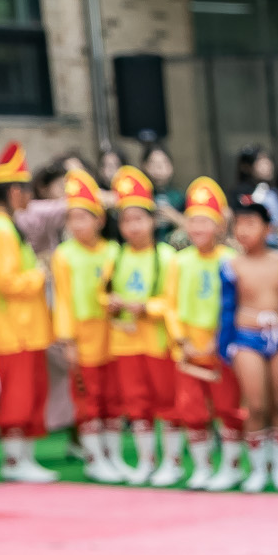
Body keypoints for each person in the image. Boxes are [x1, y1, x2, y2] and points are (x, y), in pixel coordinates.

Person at [0, 145, 57, 483]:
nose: (28, 198)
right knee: (18, 395)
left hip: (25, 327)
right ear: (14, 191)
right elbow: (7, 282)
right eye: (25, 191)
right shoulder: (2, 230)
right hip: (15, 329)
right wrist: (41, 272)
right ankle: (14, 459)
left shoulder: (5, 226)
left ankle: (24, 458)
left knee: (31, 392)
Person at [156, 177, 245, 491]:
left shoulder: (230, 261)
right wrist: (180, 338)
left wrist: (220, 340)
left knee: (227, 406)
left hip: (219, 346)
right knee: (191, 408)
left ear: (219, 226)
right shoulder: (179, 261)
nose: (197, 229)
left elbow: (234, 306)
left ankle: (231, 467)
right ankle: (202, 467)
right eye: (192, 221)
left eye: (205, 222)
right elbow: (169, 304)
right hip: (187, 348)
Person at [221, 186, 278, 493]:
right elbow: (226, 309)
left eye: (251, 224)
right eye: (239, 224)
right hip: (246, 335)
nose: (244, 231)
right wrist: (224, 347)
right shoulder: (231, 264)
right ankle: (257, 469)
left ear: (268, 228)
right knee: (255, 405)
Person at [101, 167, 175, 486]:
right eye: (127, 220)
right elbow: (100, 294)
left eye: (139, 219)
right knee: (136, 404)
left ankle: (171, 462)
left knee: (167, 402)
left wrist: (147, 307)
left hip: (158, 341)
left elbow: (172, 302)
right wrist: (113, 304)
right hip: (125, 343)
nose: (133, 227)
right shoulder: (115, 257)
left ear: (152, 221)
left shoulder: (167, 256)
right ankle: (146, 460)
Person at [51, 168, 122, 482]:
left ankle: (114, 456)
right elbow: (63, 299)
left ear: (99, 220)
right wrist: (67, 340)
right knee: (87, 397)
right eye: (72, 218)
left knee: (112, 396)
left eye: (85, 217)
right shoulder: (64, 255)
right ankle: (94, 457)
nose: (78, 225)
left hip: (114, 334)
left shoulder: (113, 251)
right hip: (82, 335)